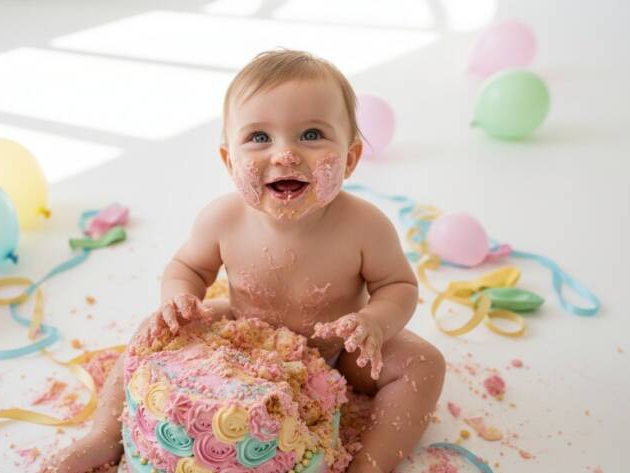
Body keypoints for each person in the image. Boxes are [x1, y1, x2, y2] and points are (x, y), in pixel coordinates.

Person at [44, 49, 445, 473]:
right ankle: (105, 435)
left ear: (349, 158)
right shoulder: (223, 217)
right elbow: (189, 268)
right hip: (240, 336)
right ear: (228, 160)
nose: (286, 155)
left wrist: (374, 324)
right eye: (259, 137)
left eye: (311, 135)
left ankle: (370, 463)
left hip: (337, 351)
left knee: (424, 364)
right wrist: (180, 299)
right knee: (151, 330)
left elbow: (398, 286)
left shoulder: (365, 225)